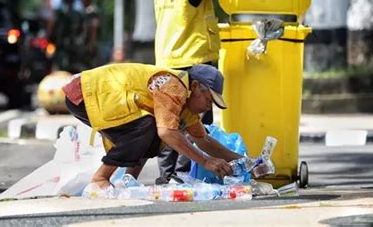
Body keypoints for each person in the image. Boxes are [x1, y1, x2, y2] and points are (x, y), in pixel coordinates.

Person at [62, 63, 243, 188]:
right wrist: (205, 160)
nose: (207, 107)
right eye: (208, 100)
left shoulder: (187, 107)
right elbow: (167, 132)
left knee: (153, 135)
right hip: (84, 92)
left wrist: (244, 161)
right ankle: (100, 179)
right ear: (195, 86)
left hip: (90, 94)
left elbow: (204, 140)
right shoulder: (174, 86)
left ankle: (128, 180)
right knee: (151, 127)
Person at [153, 0, 239, 183]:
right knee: (193, 123)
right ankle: (182, 178)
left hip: (167, 60)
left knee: (170, 120)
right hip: (193, 61)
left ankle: (166, 179)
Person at [50, 0, 87, 73]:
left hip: (68, 48)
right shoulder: (76, 14)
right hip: (70, 48)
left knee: (62, 71)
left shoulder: (60, 14)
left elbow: (53, 29)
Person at [79, 0, 101, 68]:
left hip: (91, 43)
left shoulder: (92, 11)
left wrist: (91, 44)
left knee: (91, 66)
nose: (81, 1)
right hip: (87, 42)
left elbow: (93, 28)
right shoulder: (86, 10)